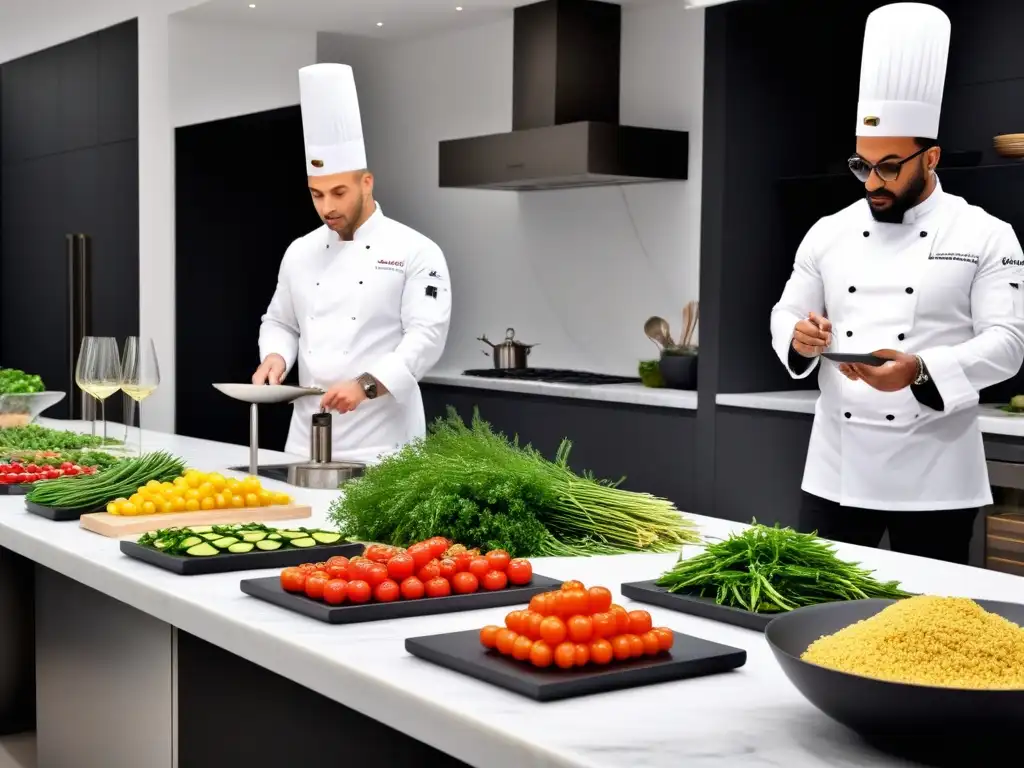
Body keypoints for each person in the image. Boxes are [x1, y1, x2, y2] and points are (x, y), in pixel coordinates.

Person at [770, 2, 1024, 565]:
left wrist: (921, 371)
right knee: (814, 615)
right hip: (837, 471)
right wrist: (799, 338)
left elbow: (1008, 343)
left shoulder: (985, 233)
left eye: (890, 166)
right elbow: (786, 311)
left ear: (930, 157)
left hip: (936, 478)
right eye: (862, 165)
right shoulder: (829, 232)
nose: (873, 182)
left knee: (925, 630)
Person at [253, 63, 452, 463]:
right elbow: (280, 322)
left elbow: (425, 337)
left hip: (384, 446)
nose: (327, 207)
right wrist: (275, 356)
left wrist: (366, 384)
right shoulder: (300, 251)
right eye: (316, 194)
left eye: (338, 192)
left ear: (367, 182)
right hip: (306, 441)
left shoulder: (416, 250)